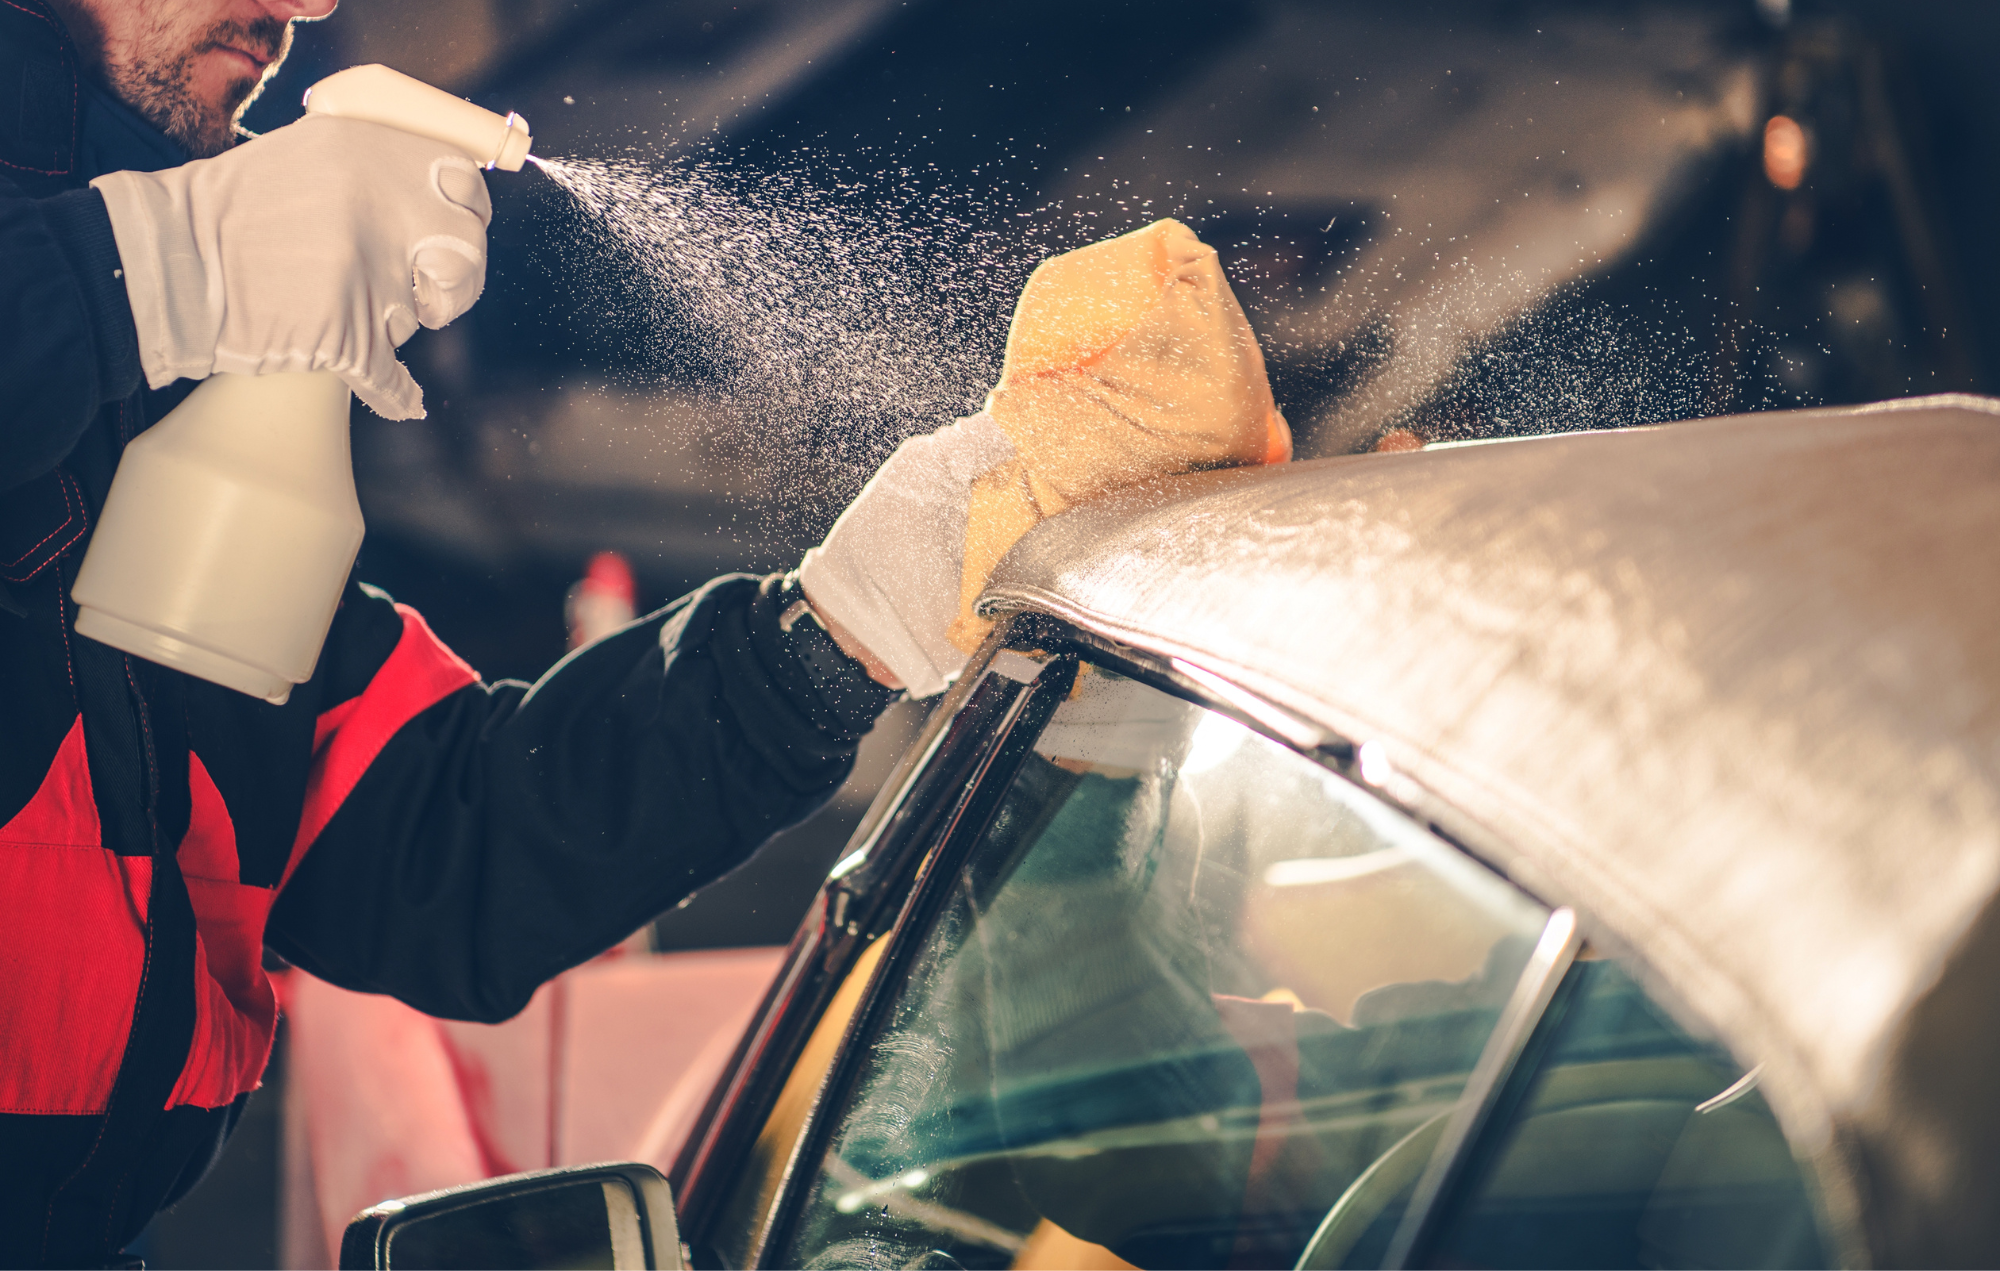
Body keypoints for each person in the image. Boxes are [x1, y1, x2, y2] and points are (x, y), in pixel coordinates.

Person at [0, 0, 1285, 1261]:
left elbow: (434, 842)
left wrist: (852, 614)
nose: (309, 1)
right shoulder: (113, 302)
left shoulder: (136, 418)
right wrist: (141, 271)